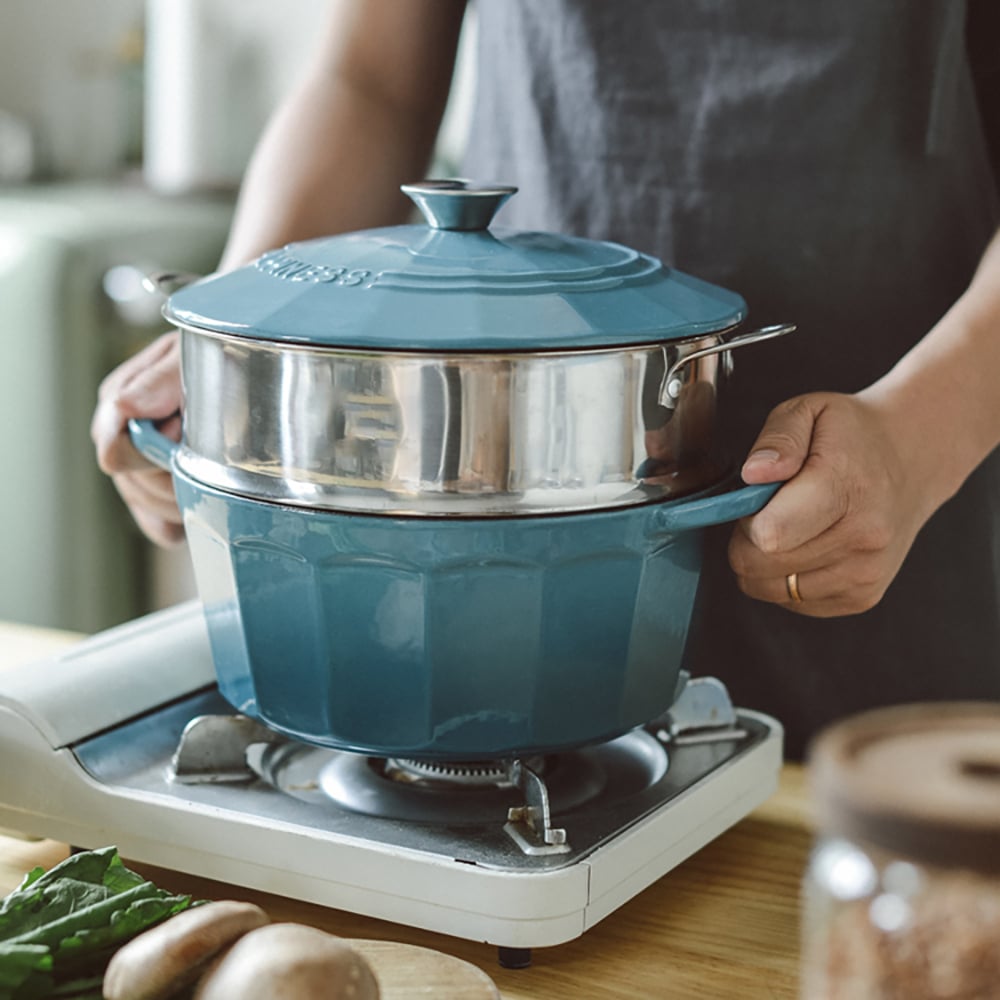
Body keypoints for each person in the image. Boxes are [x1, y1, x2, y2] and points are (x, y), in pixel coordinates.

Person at [92, 0, 1000, 758]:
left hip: (896, 458)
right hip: (509, 463)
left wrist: (924, 435)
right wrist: (241, 336)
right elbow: (371, 79)